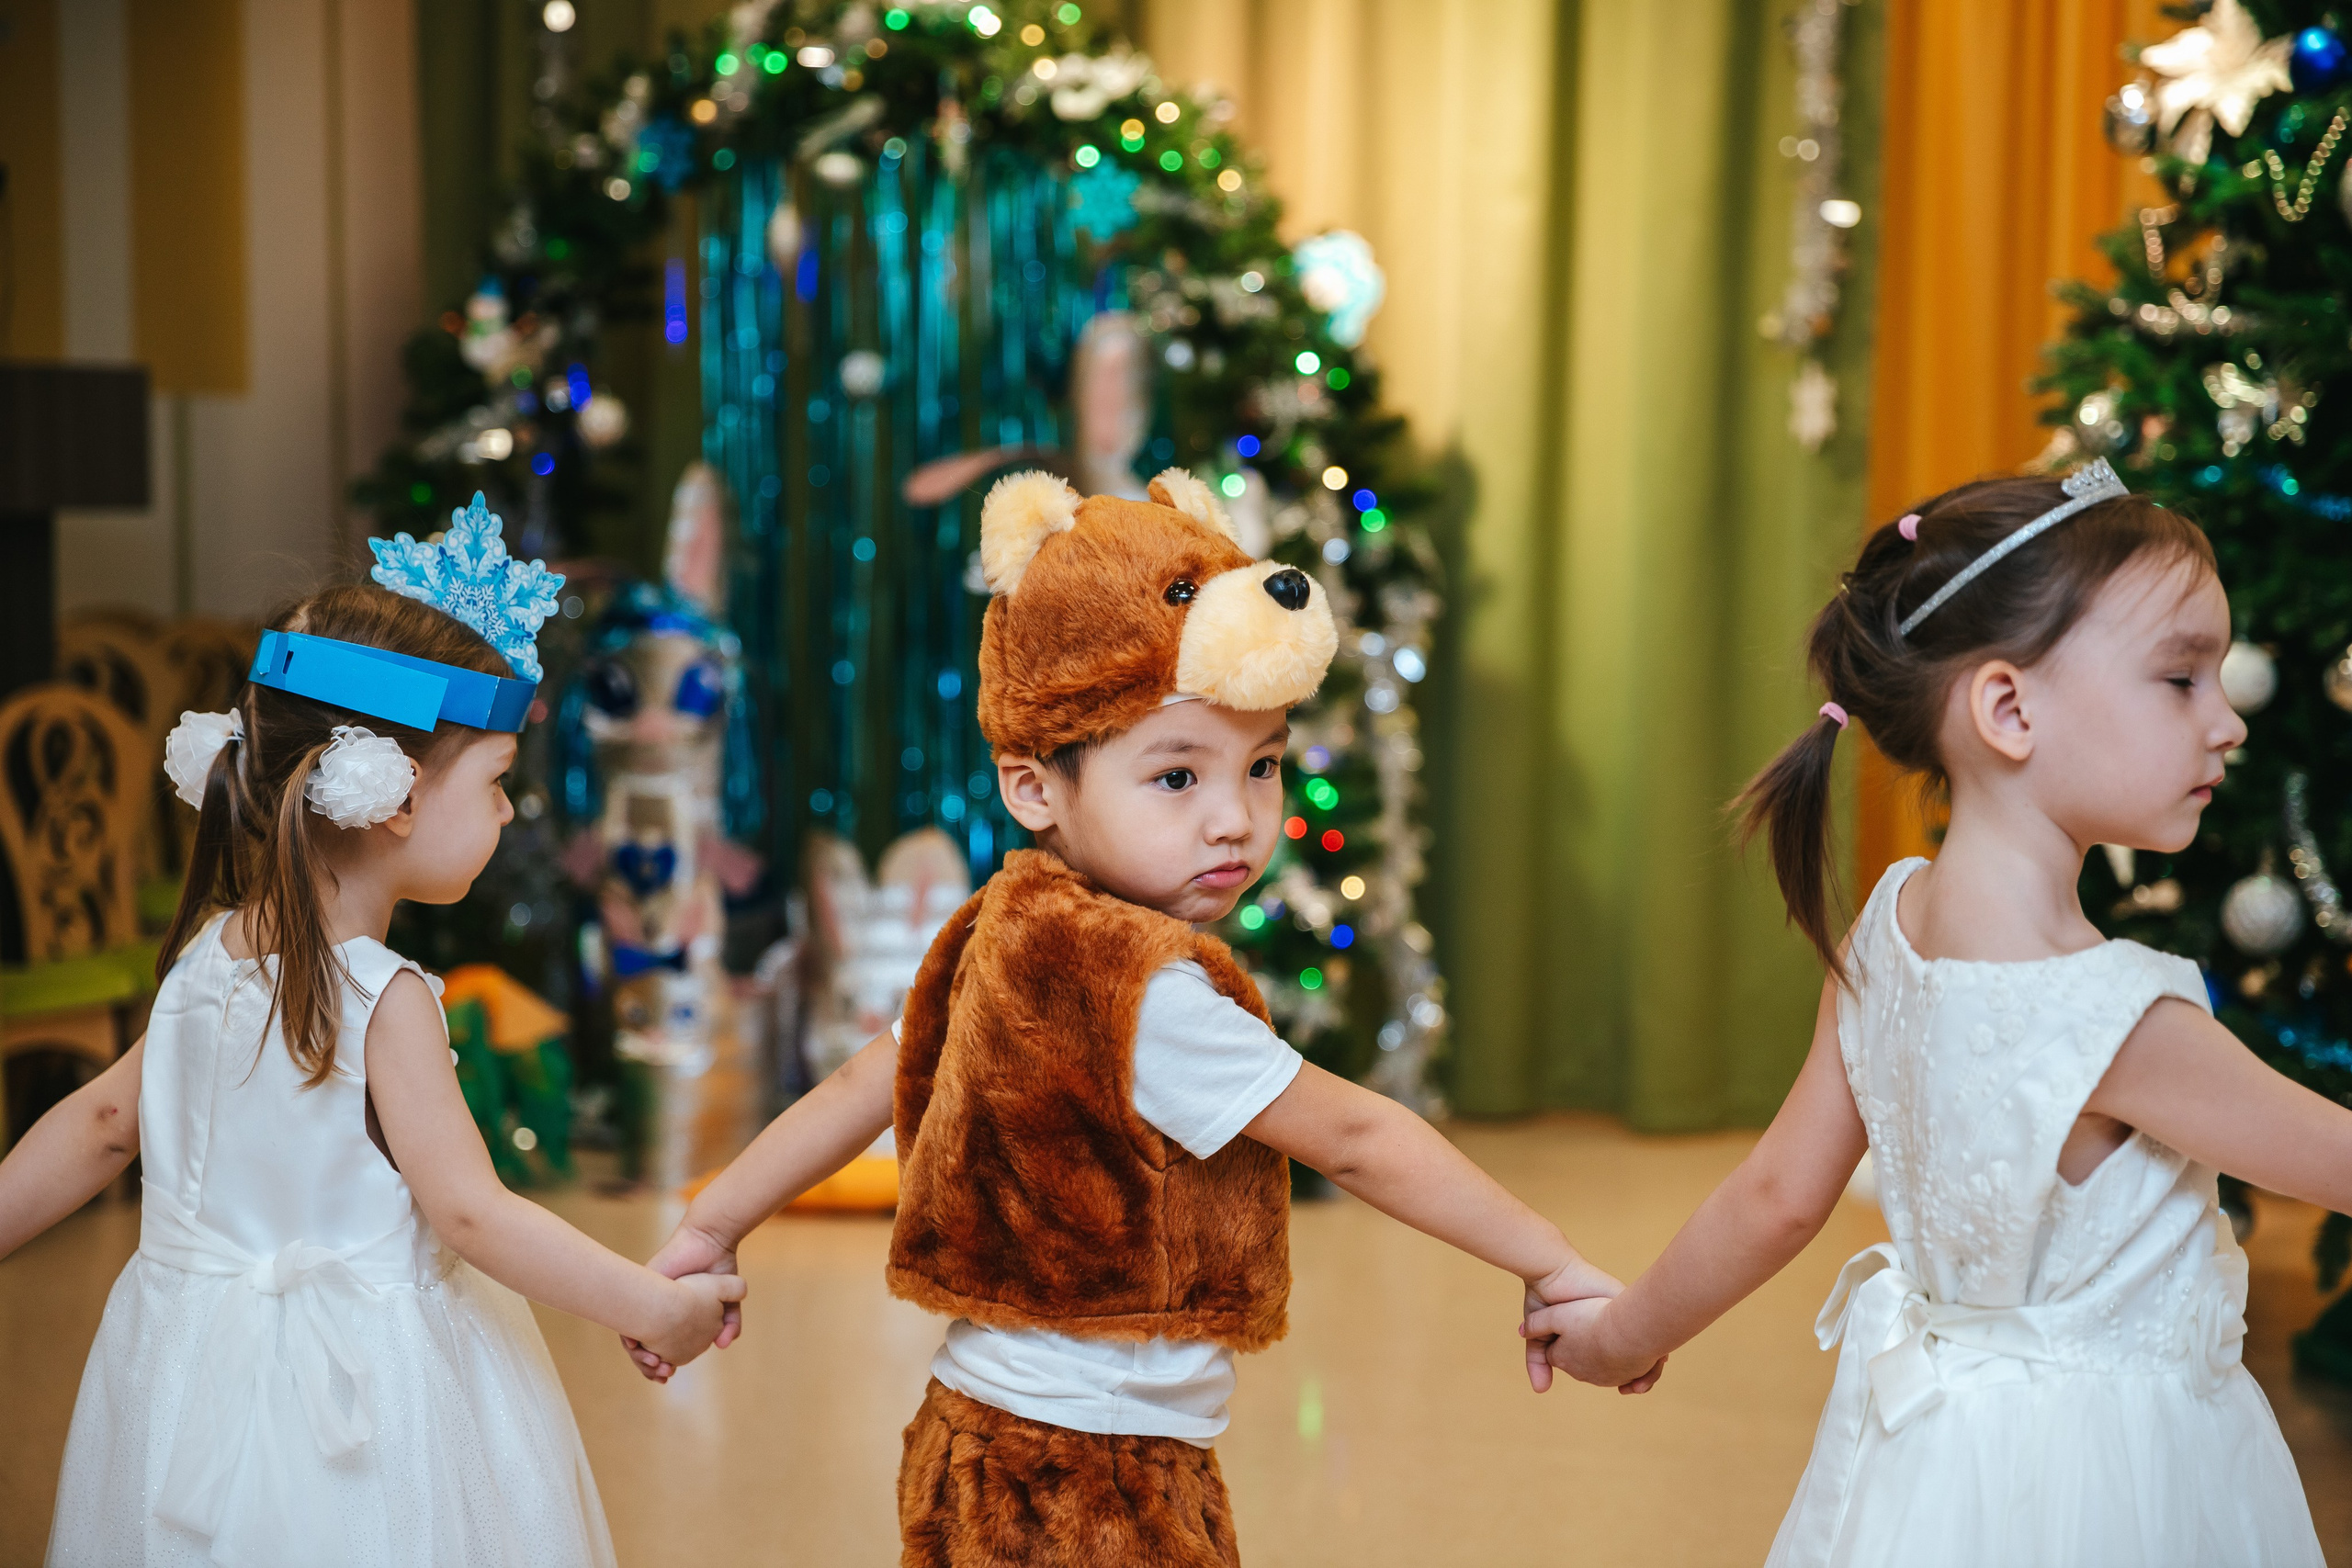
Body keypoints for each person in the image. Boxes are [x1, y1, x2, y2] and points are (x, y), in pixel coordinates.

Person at [628, 469, 1655, 1568]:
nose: (1236, 820)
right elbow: (1357, 1139)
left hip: (973, 1440)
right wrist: (1547, 1262)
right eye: (1176, 777)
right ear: (1034, 789)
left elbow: (859, 1085)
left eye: (1261, 768)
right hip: (1094, 1475)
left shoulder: (1002, 926)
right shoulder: (1146, 991)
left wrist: (710, 1224)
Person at [1524, 462, 2330, 1566]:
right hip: (2110, 1487)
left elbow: (1772, 1199)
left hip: (1936, 1465)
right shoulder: (2115, 1019)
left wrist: (1622, 1337)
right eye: (2182, 680)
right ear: (2007, 708)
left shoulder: (1889, 927)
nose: (2227, 723)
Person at [0, 498, 744, 1568]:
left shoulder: (208, 957)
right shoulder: (384, 996)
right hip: (364, 1403)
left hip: (180, 1369)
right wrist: (648, 1305)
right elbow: (472, 1214)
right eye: (494, 785)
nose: (506, 815)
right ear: (390, 796)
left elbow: (104, 1121)